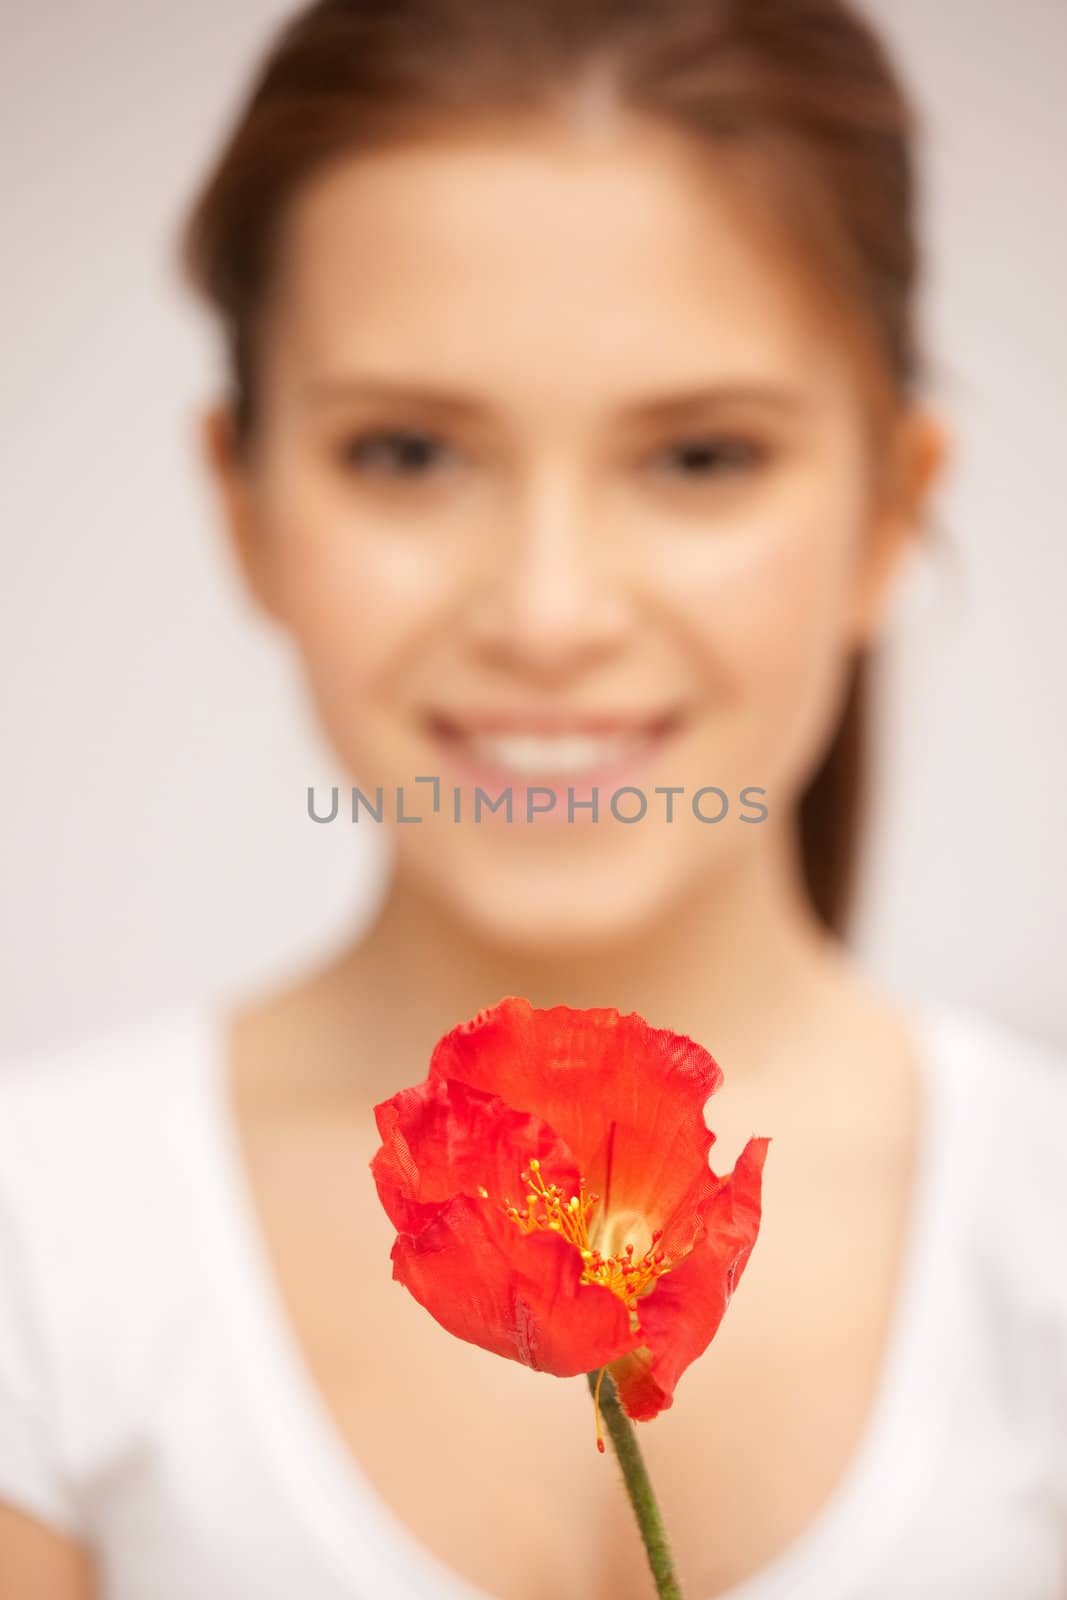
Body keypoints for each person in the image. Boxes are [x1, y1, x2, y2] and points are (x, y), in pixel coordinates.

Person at [1, 0, 1065, 1596]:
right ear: (244, 503)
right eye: (411, 451)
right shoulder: (42, 1252)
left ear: (892, 511)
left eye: (701, 457)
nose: (550, 613)